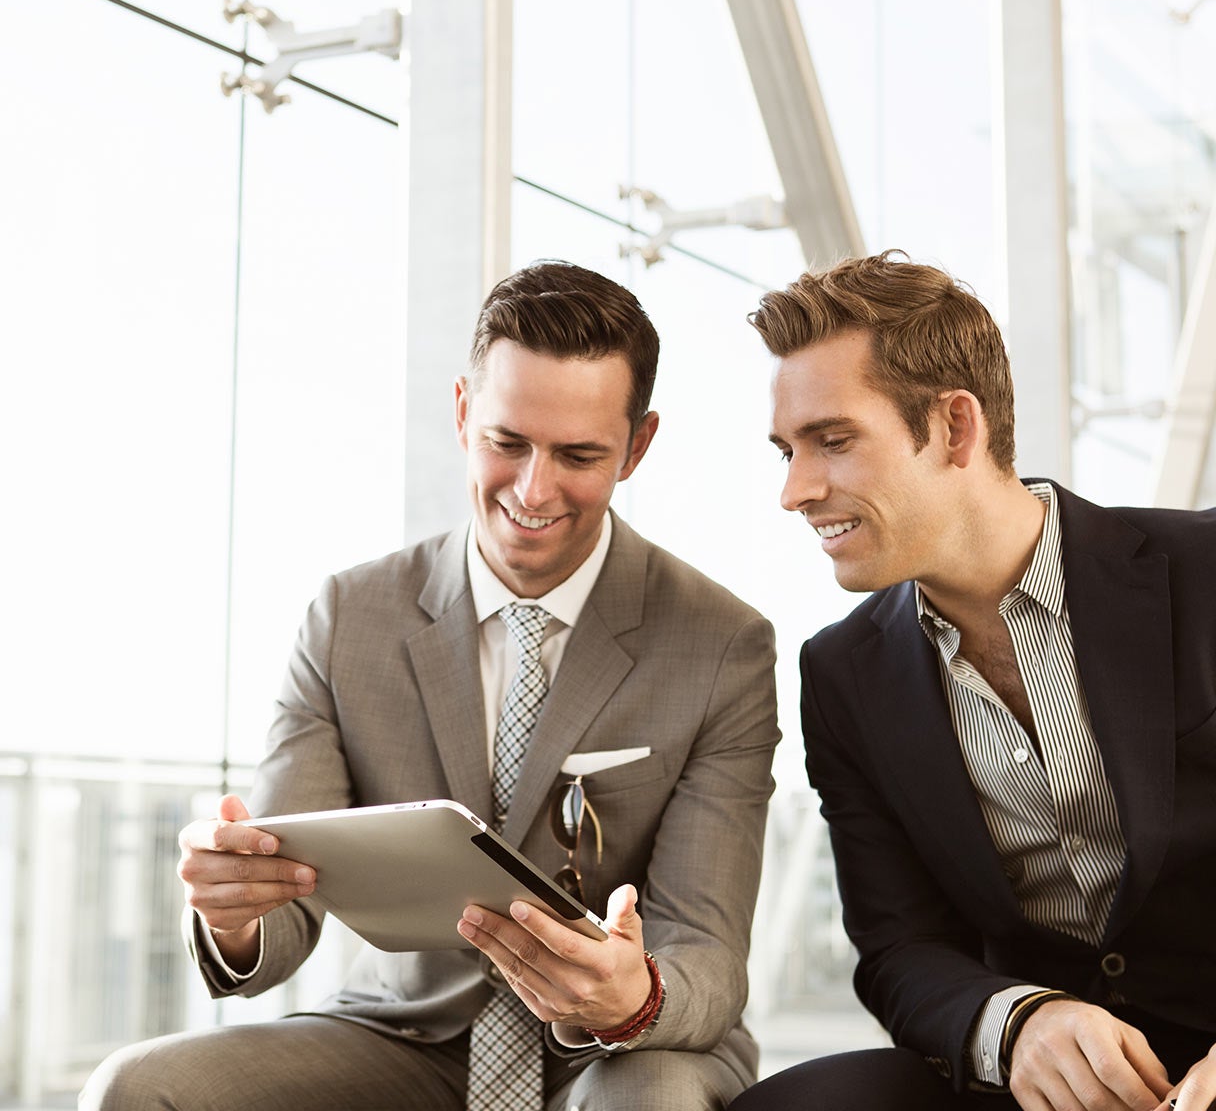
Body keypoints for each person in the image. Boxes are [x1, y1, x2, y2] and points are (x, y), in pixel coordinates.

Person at [81, 261, 780, 1111]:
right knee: (136, 1090)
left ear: (637, 446)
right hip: (404, 1036)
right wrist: (234, 912)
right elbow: (283, 907)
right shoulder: (350, 617)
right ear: (460, 413)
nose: (533, 490)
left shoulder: (722, 645)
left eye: (578, 454)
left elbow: (707, 950)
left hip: (611, 1047)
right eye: (507, 443)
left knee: (650, 1099)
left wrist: (633, 999)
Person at [731, 250, 1216, 1111]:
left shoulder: (1205, 572)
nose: (795, 491)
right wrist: (1017, 1023)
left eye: (833, 441)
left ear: (956, 427)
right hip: (1041, 1081)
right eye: (786, 451)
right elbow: (898, 948)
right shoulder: (842, 674)